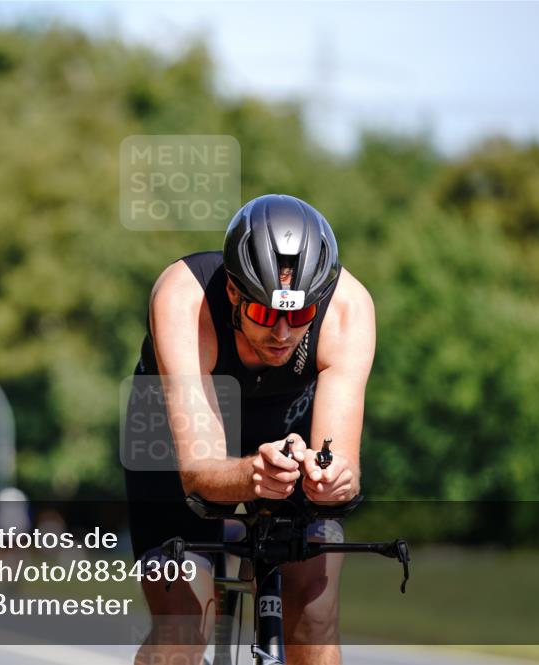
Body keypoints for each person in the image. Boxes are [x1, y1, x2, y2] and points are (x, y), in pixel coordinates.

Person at [124, 194, 375, 665]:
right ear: (235, 294)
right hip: (176, 433)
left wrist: (334, 479)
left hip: (288, 428)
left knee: (315, 619)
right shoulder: (185, 298)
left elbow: (342, 467)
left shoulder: (348, 308)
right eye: (265, 314)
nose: (281, 333)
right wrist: (251, 477)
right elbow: (199, 471)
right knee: (181, 628)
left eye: (298, 317)